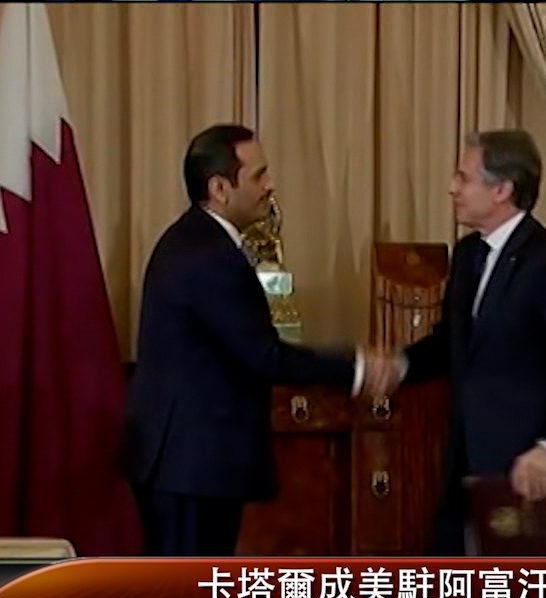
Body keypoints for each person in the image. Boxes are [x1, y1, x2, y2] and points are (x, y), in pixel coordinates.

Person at [122, 124, 396, 556]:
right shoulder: (208, 255)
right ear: (220, 189)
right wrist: (358, 367)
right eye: (258, 175)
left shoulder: (196, 240)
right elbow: (263, 356)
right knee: (189, 595)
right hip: (192, 467)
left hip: (187, 464)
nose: (269, 185)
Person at [381, 129, 546, 556]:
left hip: (524, 477)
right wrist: (398, 365)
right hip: (462, 469)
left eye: (463, 177)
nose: (452, 188)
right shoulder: (467, 255)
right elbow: (451, 344)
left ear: (501, 190)